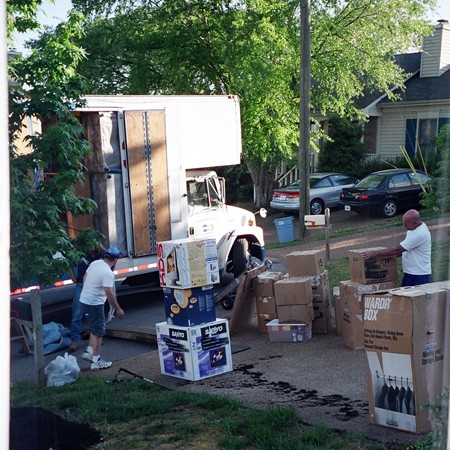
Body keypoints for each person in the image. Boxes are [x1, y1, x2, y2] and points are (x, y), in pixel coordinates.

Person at [79, 247, 125, 370]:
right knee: (99, 331)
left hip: (84, 301)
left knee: (94, 328)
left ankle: (89, 352)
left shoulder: (95, 263)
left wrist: (88, 290)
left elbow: (84, 277)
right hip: (94, 304)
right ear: (115, 260)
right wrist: (118, 309)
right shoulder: (107, 273)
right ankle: (96, 361)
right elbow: (109, 292)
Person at [361, 209, 431, 287]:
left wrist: (376, 253)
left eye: (406, 224)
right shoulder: (414, 227)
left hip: (418, 274)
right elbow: (406, 248)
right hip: (411, 272)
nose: (404, 226)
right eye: (404, 223)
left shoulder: (419, 234)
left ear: (416, 223)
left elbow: (398, 249)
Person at [67, 247, 103, 353]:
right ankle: (75, 340)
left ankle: (95, 337)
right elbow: (69, 264)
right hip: (81, 285)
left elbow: (115, 257)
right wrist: (72, 275)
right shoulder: (81, 254)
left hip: (94, 286)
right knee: (77, 314)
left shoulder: (101, 255)